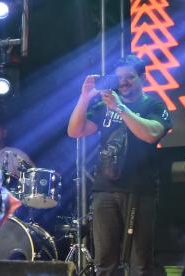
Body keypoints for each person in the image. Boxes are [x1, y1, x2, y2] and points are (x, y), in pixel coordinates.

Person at [67, 55, 172, 276]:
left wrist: (120, 108)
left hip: (139, 189)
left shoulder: (153, 105)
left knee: (140, 262)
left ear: (143, 77)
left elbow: (151, 134)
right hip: (104, 189)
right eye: (119, 78)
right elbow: (75, 131)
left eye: (129, 77)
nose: (123, 82)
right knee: (104, 262)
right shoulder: (104, 106)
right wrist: (84, 97)